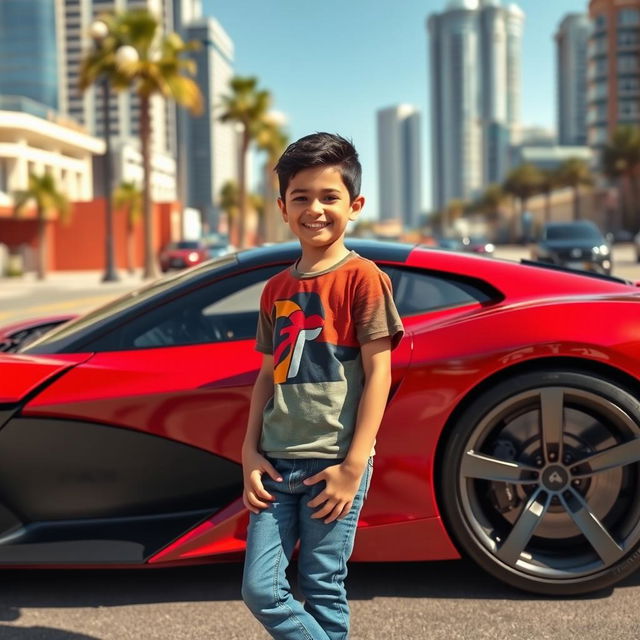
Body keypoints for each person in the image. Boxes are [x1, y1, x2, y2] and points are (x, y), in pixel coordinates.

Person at [241, 132, 403, 640]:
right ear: (283, 208)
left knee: (322, 583)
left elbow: (380, 373)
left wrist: (354, 466)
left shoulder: (363, 278)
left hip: (333, 461)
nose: (315, 209)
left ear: (354, 205)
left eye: (329, 197)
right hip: (275, 463)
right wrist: (249, 452)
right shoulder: (276, 289)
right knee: (262, 589)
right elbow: (267, 375)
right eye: (301, 197)